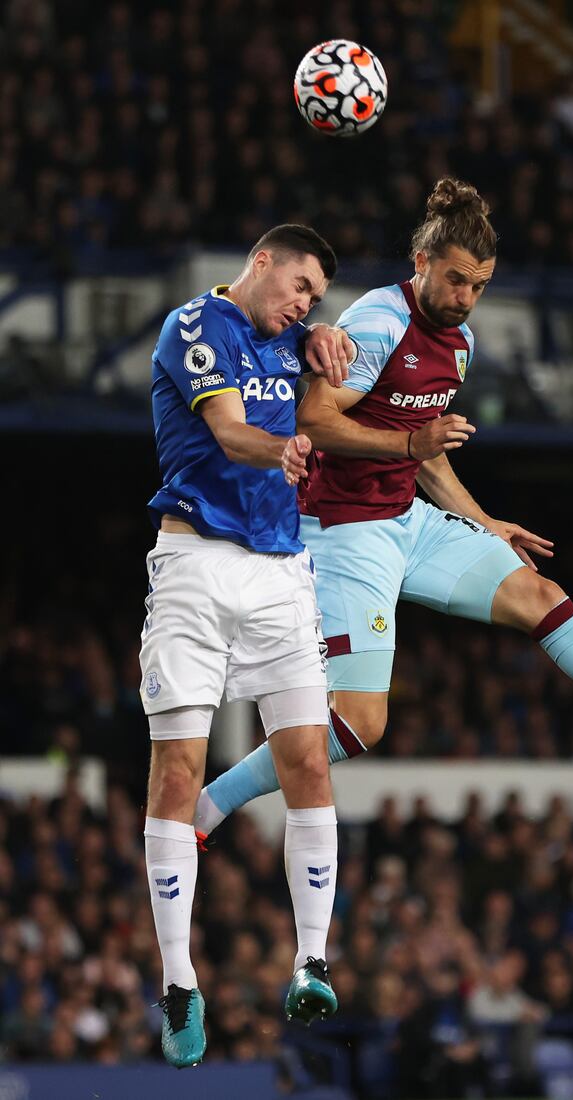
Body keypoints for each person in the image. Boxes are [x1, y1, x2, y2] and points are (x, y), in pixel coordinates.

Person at [193, 178, 573, 841]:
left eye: (480, 286)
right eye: (457, 281)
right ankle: (207, 807)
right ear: (422, 263)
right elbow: (313, 419)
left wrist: (482, 520)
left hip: (406, 518)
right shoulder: (379, 322)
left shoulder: (458, 346)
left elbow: (428, 454)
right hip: (341, 531)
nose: (466, 298)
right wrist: (412, 442)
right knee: (359, 723)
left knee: (539, 594)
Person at [140, 224, 349, 1067]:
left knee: (308, 759)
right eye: (299, 285)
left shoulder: (297, 337)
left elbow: (317, 346)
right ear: (261, 262)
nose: (304, 304)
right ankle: (179, 982)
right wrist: (286, 447)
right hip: (195, 561)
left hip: (279, 574)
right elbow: (229, 430)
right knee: (178, 773)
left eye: (315, 298)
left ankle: (311, 962)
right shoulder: (194, 327)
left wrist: (321, 334)